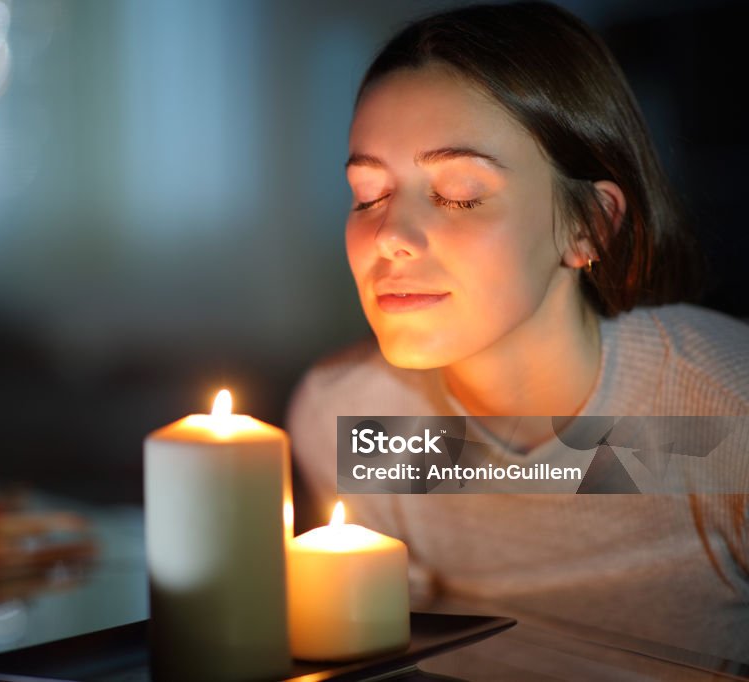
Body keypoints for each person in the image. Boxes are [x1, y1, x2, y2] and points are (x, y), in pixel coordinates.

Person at [286, 1, 749, 662]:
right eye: (368, 195)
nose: (390, 237)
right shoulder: (352, 416)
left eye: (460, 193)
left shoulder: (723, 411)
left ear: (587, 223)